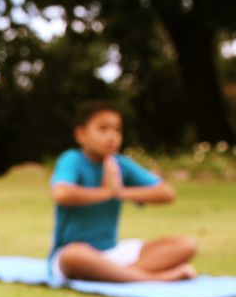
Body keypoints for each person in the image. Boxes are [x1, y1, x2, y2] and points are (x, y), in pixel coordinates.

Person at [50, 100, 197, 283]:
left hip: (113, 252)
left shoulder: (119, 165)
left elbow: (167, 193)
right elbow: (62, 194)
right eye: (103, 129)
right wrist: (106, 192)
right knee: (73, 256)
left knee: (186, 244)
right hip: (74, 253)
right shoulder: (72, 159)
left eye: (117, 130)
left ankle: (119, 274)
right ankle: (155, 278)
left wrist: (119, 192)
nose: (111, 136)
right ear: (81, 135)